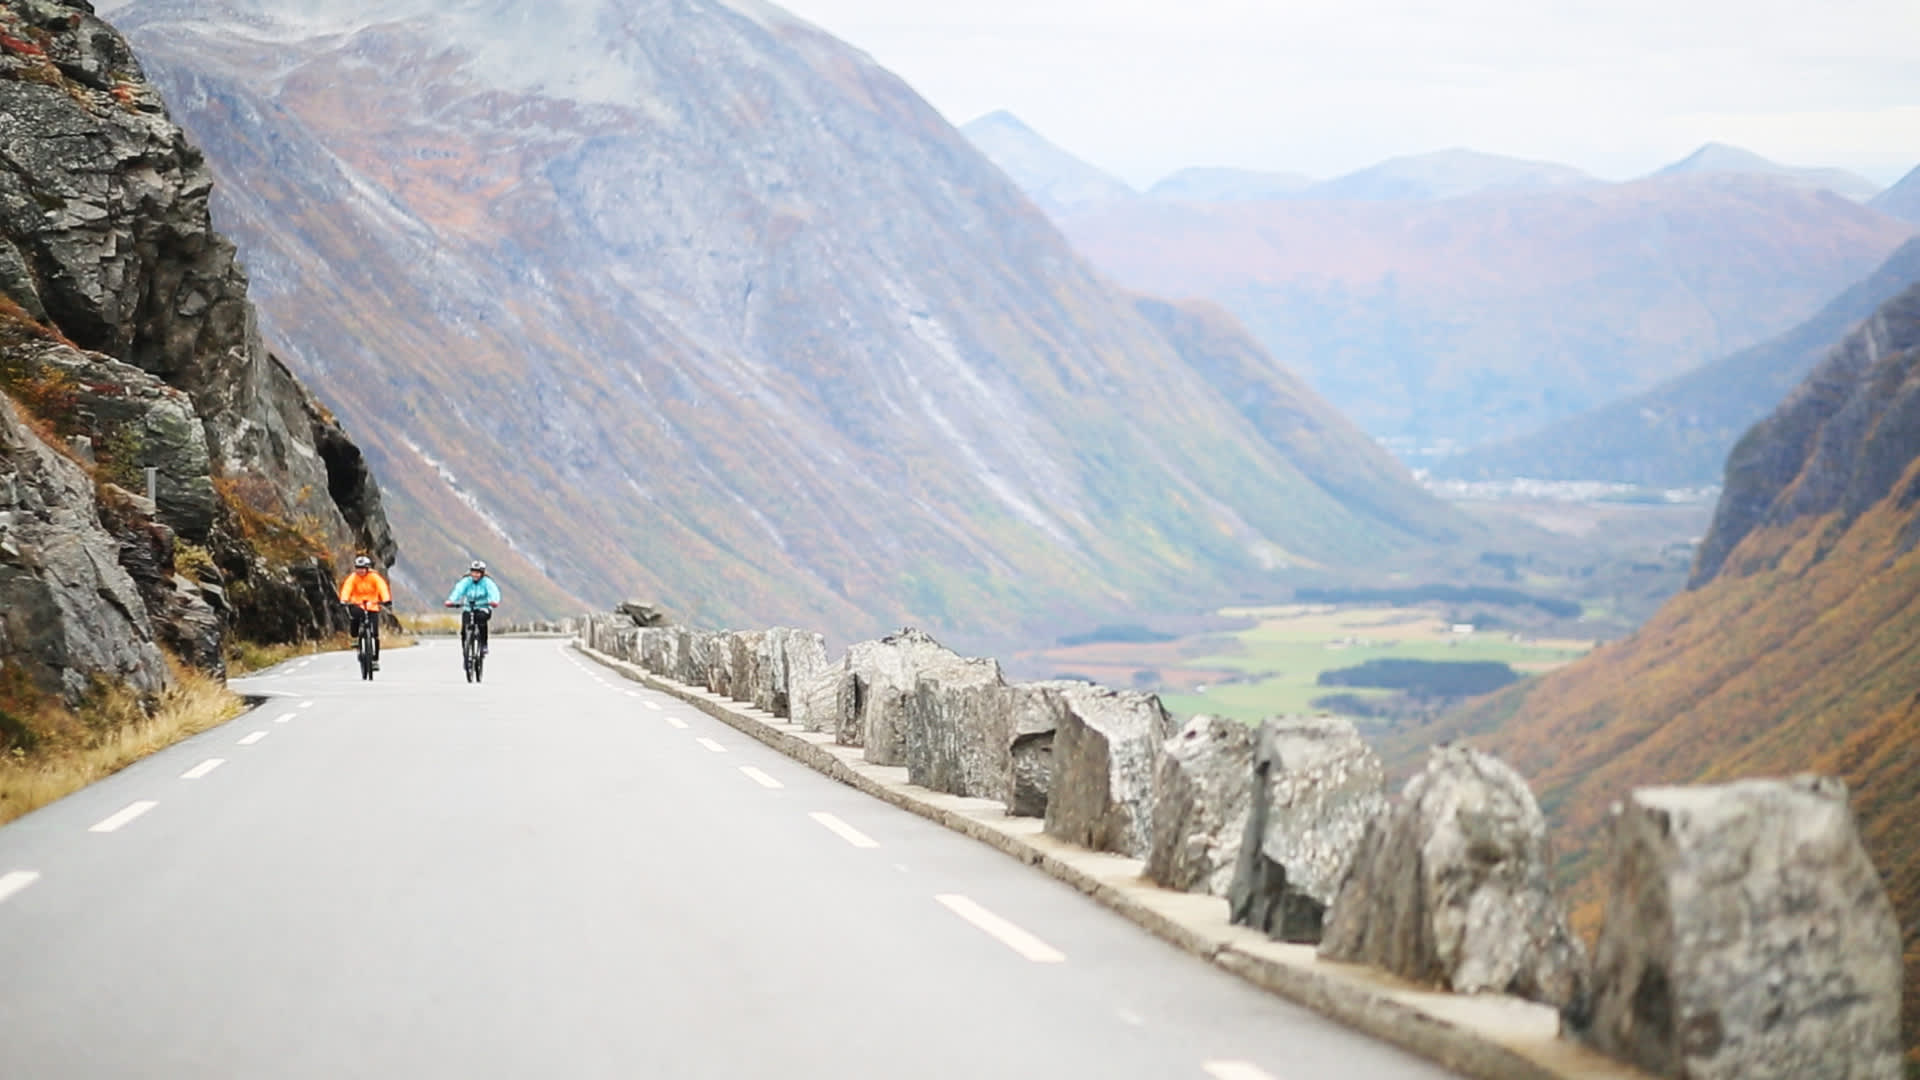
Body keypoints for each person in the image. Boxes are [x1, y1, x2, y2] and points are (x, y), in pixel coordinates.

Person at [337, 555, 392, 667]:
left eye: (362, 568)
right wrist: (344, 600)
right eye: (358, 568)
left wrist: (386, 600)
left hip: (372, 606)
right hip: (357, 604)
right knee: (355, 619)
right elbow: (347, 588)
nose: (360, 570)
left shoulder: (374, 577)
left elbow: (382, 588)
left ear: (367, 568)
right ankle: (356, 639)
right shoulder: (353, 578)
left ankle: (375, 659)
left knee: (375, 634)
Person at [444, 560, 501, 655]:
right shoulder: (466, 581)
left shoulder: (487, 582)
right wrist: (451, 601)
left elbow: (494, 592)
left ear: (482, 573)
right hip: (468, 607)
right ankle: (465, 651)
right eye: (473, 572)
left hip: (483, 607)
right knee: (464, 630)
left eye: (478, 572)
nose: (475, 574)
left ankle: (483, 644)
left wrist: (494, 601)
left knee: (481, 619)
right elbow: (458, 590)